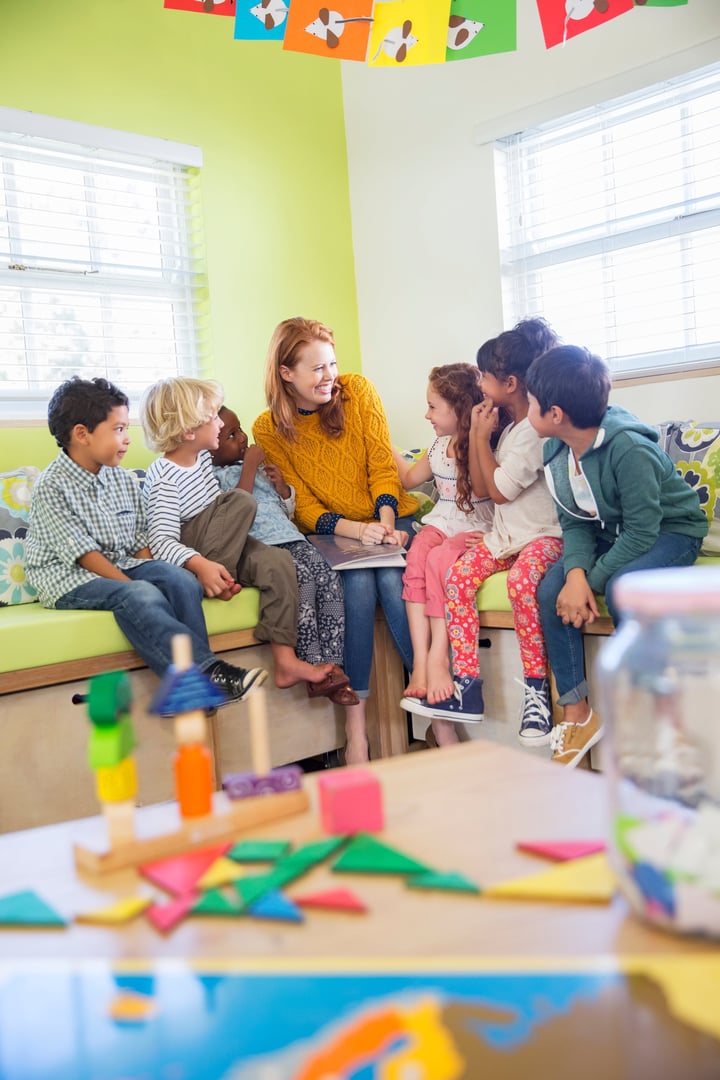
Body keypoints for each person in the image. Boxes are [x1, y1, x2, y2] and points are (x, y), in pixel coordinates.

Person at [25, 376, 267, 705]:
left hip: (119, 563)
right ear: (82, 434)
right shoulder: (52, 486)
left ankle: (194, 693)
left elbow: (140, 541)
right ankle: (206, 674)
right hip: (68, 577)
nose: (127, 439)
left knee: (179, 580)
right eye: (118, 429)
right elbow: (85, 555)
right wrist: (134, 585)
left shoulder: (121, 478)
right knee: (139, 593)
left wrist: (156, 572)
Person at [526, 344, 708, 768]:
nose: (526, 410)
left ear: (555, 414)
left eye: (532, 403)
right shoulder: (555, 450)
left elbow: (645, 531)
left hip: (670, 531)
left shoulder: (628, 449)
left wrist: (590, 581)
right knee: (551, 587)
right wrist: (574, 576)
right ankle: (577, 711)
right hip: (612, 534)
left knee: (626, 589)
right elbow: (576, 522)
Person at [252, 316, 420, 765]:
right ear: (287, 373)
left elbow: (383, 464)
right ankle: (357, 729)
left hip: (390, 518)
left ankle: (427, 692)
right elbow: (301, 505)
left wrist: (382, 523)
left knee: (389, 580)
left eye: (333, 364)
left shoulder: (357, 391)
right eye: (318, 369)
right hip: (337, 533)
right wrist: (358, 531)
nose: (331, 377)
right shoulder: (268, 429)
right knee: (360, 587)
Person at [404, 318, 563, 748]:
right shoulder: (506, 424)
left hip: (540, 535)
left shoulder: (532, 431)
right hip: (503, 537)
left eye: (486, 377)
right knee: (457, 578)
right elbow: (478, 479)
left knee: (521, 582)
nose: (481, 383)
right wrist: (478, 434)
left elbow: (498, 492)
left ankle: (536, 692)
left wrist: (476, 434)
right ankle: (467, 686)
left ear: (509, 383)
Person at [140, 377, 346, 699]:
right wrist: (203, 567)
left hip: (227, 538)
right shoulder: (163, 476)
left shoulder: (203, 459)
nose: (221, 423)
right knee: (240, 500)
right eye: (213, 418)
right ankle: (219, 577)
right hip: (199, 545)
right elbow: (163, 542)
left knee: (280, 564)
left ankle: (286, 661)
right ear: (189, 431)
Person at [210, 404, 358, 706]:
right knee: (299, 580)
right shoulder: (215, 477)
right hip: (263, 545)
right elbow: (239, 507)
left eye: (240, 430)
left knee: (328, 577)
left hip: (292, 537)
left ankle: (333, 664)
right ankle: (313, 662)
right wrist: (250, 467)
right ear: (211, 447)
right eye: (231, 435)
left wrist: (282, 490)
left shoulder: (260, 472)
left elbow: (285, 511)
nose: (241, 439)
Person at [393, 363, 494, 746]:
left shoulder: (478, 446)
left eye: (433, 407)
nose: (426, 414)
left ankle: (439, 657)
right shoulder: (436, 446)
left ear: (459, 408)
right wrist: (381, 442)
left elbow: (491, 494)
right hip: (442, 518)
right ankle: (420, 662)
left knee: (439, 562)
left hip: (473, 526)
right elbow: (408, 480)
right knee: (417, 556)